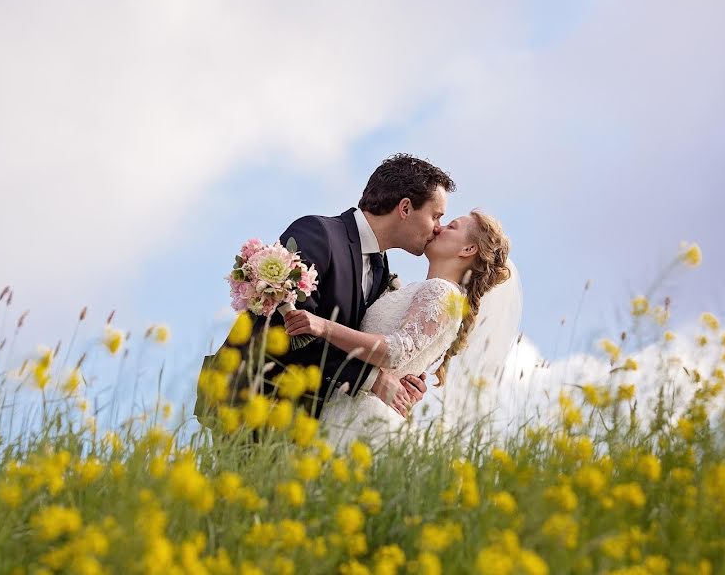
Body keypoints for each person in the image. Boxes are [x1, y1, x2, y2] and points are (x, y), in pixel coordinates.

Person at [203, 154, 455, 420]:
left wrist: (403, 378)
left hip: (310, 421)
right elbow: (291, 327)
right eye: (435, 216)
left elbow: (356, 338)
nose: (438, 228)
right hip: (252, 403)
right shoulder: (319, 234)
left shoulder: (382, 270)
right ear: (405, 208)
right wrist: (371, 379)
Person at [284, 210, 514, 450]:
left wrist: (323, 326)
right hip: (348, 403)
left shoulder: (442, 292)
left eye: (452, 226)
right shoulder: (424, 291)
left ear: (468, 250)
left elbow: (394, 351)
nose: (439, 228)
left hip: (363, 415)